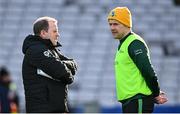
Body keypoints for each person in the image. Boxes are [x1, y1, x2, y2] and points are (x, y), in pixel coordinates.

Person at [107, 7, 168, 113]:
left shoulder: (134, 43)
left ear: (127, 24)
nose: (112, 27)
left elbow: (148, 71)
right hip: (131, 102)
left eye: (116, 24)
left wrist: (156, 92)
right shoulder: (125, 44)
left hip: (138, 101)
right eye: (110, 24)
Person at [22, 16, 77, 113]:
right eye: (54, 31)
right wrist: (64, 67)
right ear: (43, 33)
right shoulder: (36, 50)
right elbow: (65, 75)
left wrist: (62, 65)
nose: (58, 34)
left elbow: (74, 64)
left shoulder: (50, 50)